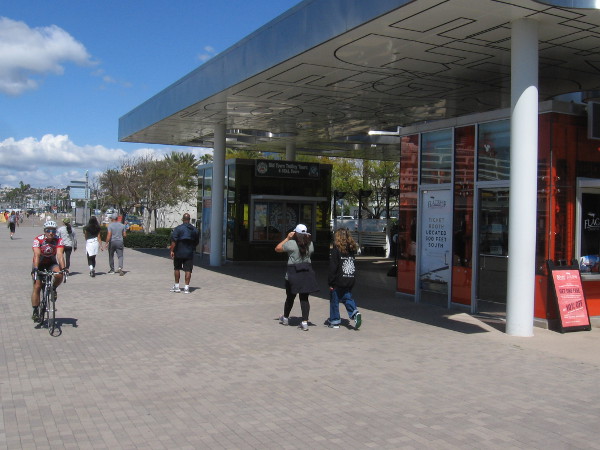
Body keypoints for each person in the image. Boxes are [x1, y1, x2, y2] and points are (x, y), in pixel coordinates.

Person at [275, 223, 319, 331]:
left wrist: (287, 237)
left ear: (296, 233)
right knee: (304, 298)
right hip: (306, 274)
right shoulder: (310, 244)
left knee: (290, 298)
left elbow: (277, 248)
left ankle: (285, 318)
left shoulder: (291, 244)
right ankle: (305, 322)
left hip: (292, 274)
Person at [327, 228, 362, 329]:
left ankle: (334, 321)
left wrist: (331, 282)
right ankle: (355, 313)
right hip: (349, 278)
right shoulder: (351, 250)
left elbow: (333, 267)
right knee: (347, 297)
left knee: (334, 300)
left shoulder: (335, 250)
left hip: (338, 280)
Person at [31, 220, 66, 321]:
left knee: (59, 274)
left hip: (51, 263)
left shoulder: (58, 240)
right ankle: (35, 310)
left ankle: (53, 288)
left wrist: (63, 268)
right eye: (48, 230)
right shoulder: (38, 239)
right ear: (45, 231)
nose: (51, 233)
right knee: (37, 286)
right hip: (39, 264)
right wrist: (36, 269)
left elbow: (59, 255)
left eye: (53, 231)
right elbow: (37, 255)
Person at [169, 213, 199, 293]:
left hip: (178, 251)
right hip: (189, 252)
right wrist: (192, 247)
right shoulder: (194, 229)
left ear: (182, 219)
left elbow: (174, 241)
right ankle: (186, 287)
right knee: (188, 270)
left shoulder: (178, 229)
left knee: (177, 268)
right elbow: (196, 241)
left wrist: (172, 250)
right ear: (189, 219)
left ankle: (177, 286)